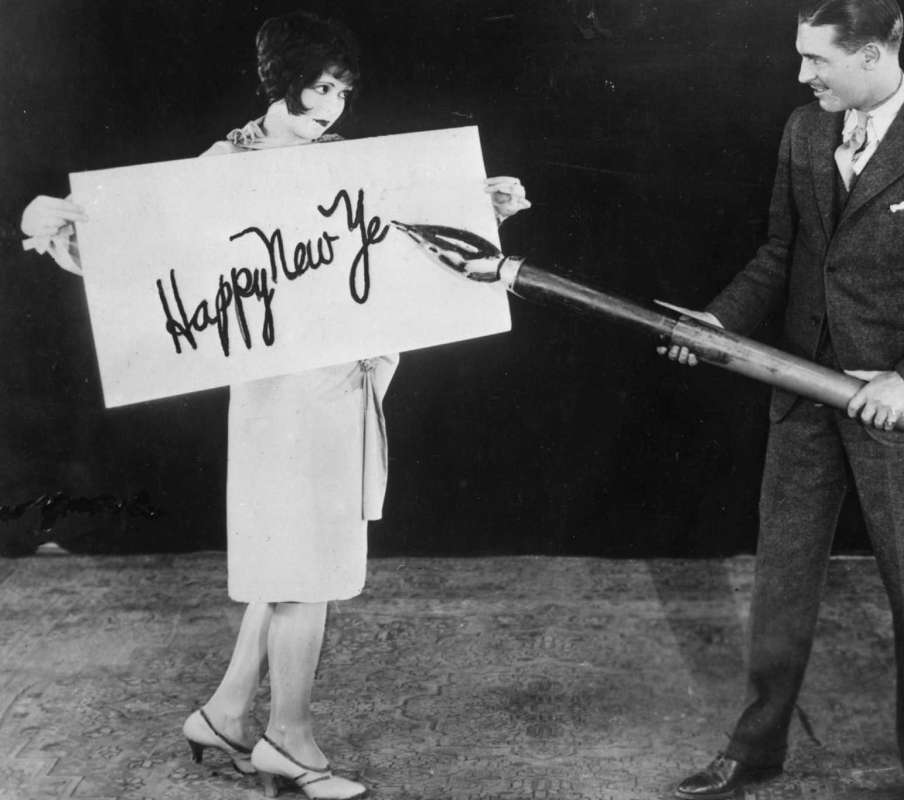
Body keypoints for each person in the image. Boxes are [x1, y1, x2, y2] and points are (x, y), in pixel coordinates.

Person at [20, 11, 528, 800]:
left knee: (295, 565)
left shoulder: (342, 160)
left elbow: (405, 250)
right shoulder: (230, 161)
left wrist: (480, 210)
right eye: (317, 89)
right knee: (301, 569)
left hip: (344, 387)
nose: (330, 105)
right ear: (278, 83)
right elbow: (149, 260)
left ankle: (225, 715)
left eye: (342, 90)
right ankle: (288, 742)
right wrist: (48, 225)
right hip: (278, 397)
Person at [659, 1, 904, 799]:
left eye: (817, 60)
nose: (802, 76)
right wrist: (718, 320)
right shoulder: (805, 131)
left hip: (903, 411)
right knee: (782, 583)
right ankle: (755, 750)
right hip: (802, 396)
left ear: (871, 56)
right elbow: (781, 253)